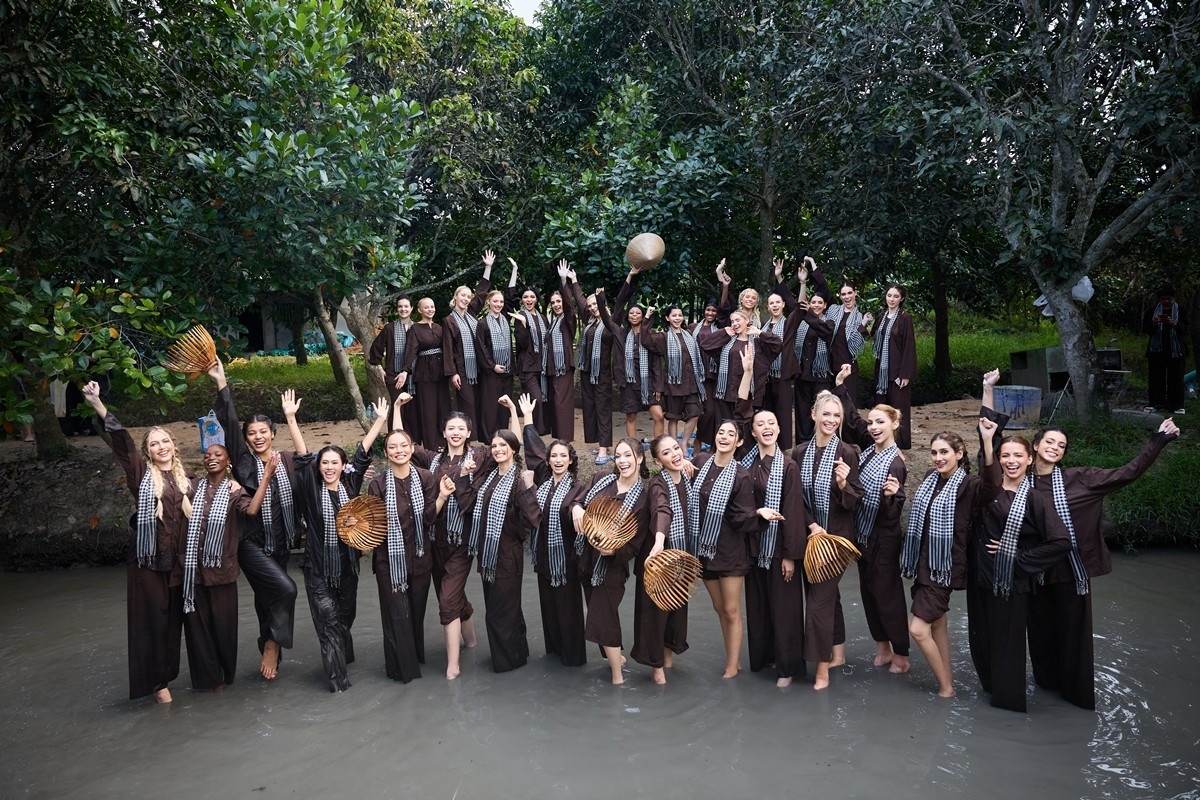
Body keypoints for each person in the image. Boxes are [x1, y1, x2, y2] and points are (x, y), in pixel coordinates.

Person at [1026, 415, 1181, 709]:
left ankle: (1075, 697)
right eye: (1050, 442)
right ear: (1035, 446)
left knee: (1074, 637)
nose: (1055, 448)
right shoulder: (1021, 481)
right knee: (1040, 634)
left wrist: (1159, 440)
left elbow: (1128, 473)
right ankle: (1045, 693)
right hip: (1035, 572)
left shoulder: (1081, 478)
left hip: (1071, 572)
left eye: (1061, 445)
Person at [82, 381, 187, 703]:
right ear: (148, 451)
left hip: (177, 565)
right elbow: (123, 443)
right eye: (154, 444)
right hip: (148, 564)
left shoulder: (188, 481)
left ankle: (166, 677)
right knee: (152, 623)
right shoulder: (142, 475)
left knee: (173, 624)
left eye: (165, 441)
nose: (161, 446)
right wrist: (98, 404)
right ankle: (157, 686)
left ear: (174, 446)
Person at [900, 371, 1001, 698]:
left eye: (945, 452)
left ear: (959, 454)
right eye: (934, 452)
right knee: (938, 625)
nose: (938, 458)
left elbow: (993, 485)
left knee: (918, 629)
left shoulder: (970, 487)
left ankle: (945, 689)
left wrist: (987, 439)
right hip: (922, 566)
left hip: (942, 570)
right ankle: (949, 682)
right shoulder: (930, 479)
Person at [210, 358, 302, 681]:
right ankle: (272, 647)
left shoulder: (287, 461)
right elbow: (229, 421)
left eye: (263, 432)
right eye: (252, 433)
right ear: (247, 439)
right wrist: (221, 382)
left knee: (267, 600)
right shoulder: (245, 464)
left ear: (273, 434)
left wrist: (292, 418)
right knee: (286, 589)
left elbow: (310, 462)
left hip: (283, 541)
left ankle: (267, 643)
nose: (258, 437)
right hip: (251, 543)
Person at [969, 433, 1072, 712]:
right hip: (980, 579)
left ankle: (1009, 709)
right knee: (981, 641)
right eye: (1005, 455)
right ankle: (989, 699)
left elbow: (1061, 541)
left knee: (1007, 648)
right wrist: (987, 435)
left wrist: (1017, 556)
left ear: (1029, 459)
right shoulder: (985, 490)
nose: (1011, 461)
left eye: (1017, 456)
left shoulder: (1035, 499)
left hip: (1011, 584)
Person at [293, 397, 390, 692]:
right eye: (324, 463)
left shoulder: (351, 485)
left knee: (345, 619)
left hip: (348, 568)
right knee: (329, 624)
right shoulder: (311, 487)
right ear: (318, 467)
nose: (329, 467)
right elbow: (302, 455)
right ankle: (339, 685)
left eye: (335, 462)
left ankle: (345, 657)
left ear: (342, 466)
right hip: (318, 570)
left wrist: (380, 420)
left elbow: (362, 453)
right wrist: (291, 418)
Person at [394, 399, 482, 680]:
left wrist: (519, 415)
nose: (455, 432)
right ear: (443, 432)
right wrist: (397, 409)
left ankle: (452, 665)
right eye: (450, 428)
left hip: (461, 541)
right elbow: (400, 442)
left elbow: (509, 448)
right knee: (453, 595)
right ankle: (471, 642)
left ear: (468, 433)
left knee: (446, 600)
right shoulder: (432, 459)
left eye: (461, 428)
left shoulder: (478, 458)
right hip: (434, 539)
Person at [833, 364, 911, 673]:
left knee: (887, 595)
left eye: (881, 422)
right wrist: (841, 386)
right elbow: (852, 420)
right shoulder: (869, 451)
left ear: (895, 424)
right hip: (863, 536)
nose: (874, 427)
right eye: (873, 422)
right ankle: (882, 646)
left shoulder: (896, 463)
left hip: (884, 538)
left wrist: (892, 497)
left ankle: (901, 653)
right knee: (868, 593)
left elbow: (893, 514)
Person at [454, 409, 541, 673]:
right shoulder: (488, 477)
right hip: (488, 557)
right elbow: (467, 504)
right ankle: (518, 654)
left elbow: (534, 518)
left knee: (500, 612)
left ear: (513, 449)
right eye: (494, 446)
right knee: (504, 609)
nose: (498, 449)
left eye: (503, 445)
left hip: (508, 556)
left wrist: (530, 487)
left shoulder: (518, 479)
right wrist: (463, 475)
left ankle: (506, 664)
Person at [789, 390, 864, 690]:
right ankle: (838, 653)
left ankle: (821, 671)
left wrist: (844, 484)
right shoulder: (798, 453)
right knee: (827, 596)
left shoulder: (847, 452)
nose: (831, 420)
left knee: (818, 603)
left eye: (836, 415)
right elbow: (794, 498)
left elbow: (855, 500)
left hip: (836, 541)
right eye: (826, 414)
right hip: (810, 536)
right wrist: (811, 525)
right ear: (813, 415)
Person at [366, 428, 447, 683]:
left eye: (403, 445)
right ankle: (404, 672)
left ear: (412, 449)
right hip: (389, 561)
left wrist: (442, 497)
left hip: (421, 557)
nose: (399, 451)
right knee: (397, 615)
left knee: (416, 612)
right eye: (392, 447)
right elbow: (373, 524)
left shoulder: (425, 477)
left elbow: (429, 519)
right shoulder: (377, 484)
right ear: (386, 452)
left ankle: (414, 658)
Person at [570, 437, 650, 684]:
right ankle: (618, 659)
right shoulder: (601, 479)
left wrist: (613, 552)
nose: (622, 461)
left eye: (628, 455)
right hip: (586, 559)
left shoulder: (642, 500)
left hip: (611, 569)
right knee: (600, 614)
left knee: (602, 617)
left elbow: (635, 545)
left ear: (639, 458)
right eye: (619, 455)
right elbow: (577, 500)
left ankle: (618, 677)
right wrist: (577, 508)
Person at [741, 409, 808, 687]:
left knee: (785, 610)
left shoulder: (788, 466)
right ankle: (765, 657)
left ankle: (787, 668)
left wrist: (791, 556)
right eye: (760, 424)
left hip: (779, 549)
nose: (766, 427)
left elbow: (794, 512)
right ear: (753, 432)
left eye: (771, 423)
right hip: (753, 547)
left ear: (779, 429)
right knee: (758, 607)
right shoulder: (745, 464)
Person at [520, 394, 588, 667]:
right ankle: (553, 654)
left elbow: (581, 507)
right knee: (548, 609)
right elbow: (533, 448)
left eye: (563, 456)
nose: (558, 460)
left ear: (571, 461)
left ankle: (573, 661)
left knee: (569, 612)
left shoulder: (578, 488)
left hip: (567, 561)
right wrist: (527, 417)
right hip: (543, 558)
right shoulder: (545, 479)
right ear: (548, 461)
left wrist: (578, 508)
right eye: (554, 456)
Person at [690, 419, 759, 678]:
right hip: (703, 549)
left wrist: (758, 515)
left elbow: (742, 517)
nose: (724, 437)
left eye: (731, 434)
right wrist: (680, 465)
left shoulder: (741, 475)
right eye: (721, 432)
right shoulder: (700, 462)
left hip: (730, 550)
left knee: (731, 609)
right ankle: (733, 656)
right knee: (719, 608)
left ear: (739, 442)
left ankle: (732, 664)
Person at [179, 442, 248, 693]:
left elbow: (251, 510)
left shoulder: (235, 491)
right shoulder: (191, 486)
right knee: (197, 630)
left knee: (224, 628)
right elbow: (172, 475)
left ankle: (225, 676)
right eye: (207, 455)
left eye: (218, 455)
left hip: (221, 570)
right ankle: (210, 680)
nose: (211, 458)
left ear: (228, 461)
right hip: (192, 570)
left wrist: (267, 476)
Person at [636, 434, 695, 684]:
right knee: (656, 614)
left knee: (676, 611)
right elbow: (662, 509)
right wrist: (660, 539)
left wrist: (687, 462)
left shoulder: (687, 475)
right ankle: (656, 667)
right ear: (658, 461)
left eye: (676, 448)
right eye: (666, 453)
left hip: (681, 557)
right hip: (658, 559)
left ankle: (667, 658)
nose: (674, 454)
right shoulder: (658, 484)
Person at [569, 274, 632, 465]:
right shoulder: (589, 323)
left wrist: (630, 277)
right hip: (587, 372)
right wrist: (574, 280)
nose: (592, 307)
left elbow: (621, 300)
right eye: (590, 306)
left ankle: (604, 448)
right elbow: (580, 301)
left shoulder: (611, 321)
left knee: (603, 409)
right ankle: (599, 442)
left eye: (595, 304)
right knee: (590, 408)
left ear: (602, 303)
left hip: (602, 374)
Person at [599, 269, 665, 442]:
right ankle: (633, 447)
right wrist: (628, 277)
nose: (634, 315)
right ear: (627, 317)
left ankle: (658, 448)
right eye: (631, 313)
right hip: (628, 384)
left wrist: (658, 386)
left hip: (648, 383)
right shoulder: (620, 333)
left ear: (643, 317)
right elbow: (611, 313)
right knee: (630, 417)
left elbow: (657, 363)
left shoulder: (650, 336)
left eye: (638, 313)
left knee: (658, 416)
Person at [778, 263, 835, 441]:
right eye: (813, 303)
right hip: (803, 374)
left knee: (822, 410)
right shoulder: (802, 321)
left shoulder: (829, 323)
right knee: (802, 411)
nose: (816, 305)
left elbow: (824, 331)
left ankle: (822, 441)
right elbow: (791, 301)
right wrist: (785, 279)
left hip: (821, 376)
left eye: (819, 303)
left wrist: (808, 312)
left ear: (825, 306)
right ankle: (803, 443)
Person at [442, 250, 496, 437]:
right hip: (462, 369)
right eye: (462, 296)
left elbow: (481, 294)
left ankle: (482, 436)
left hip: (479, 367)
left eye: (468, 296)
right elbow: (448, 348)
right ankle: (467, 439)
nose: (466, 299)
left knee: (481, 401)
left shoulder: (472, 313)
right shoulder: (449, 320)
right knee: (468, 402)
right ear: (455, 297)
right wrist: (453, 373)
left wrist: (488, 268)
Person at [696, 310, 782, 425]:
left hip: (749, 395)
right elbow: (705, 345)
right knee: (725, 427)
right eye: (732, 321)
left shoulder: (758, 342)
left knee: (745, 428)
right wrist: (723, 332)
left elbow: (778, 344)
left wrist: (759, 332)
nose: (734, 323)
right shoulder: (727, 341)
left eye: (737, 320)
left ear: (746, 321)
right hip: (726, 392)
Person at [643, 306, 707, 453]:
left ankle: (683, 443)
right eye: (674, 315)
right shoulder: (663, 337)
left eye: (679, 315)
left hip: (692, 384)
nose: (677, 318)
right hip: (674, 384)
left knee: (695, 413)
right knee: (674, 417)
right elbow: (646, 340)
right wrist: (647, 317)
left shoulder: (689, 335)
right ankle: (674, 446)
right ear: (667, 318)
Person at [808, 260, 869, 403]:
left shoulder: (859, 317)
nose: (847, 297)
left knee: (848, 403)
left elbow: (856, 345)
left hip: (848, 366)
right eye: (843, 294)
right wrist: (812, 263)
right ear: (840, 296)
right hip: (830, 365)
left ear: (855, 293)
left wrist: (863, 323)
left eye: (849, 293)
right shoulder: (833, 310)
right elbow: (822, 287)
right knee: (831, 405)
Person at [868, 283, 917, 449]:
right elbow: (873, 335)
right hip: (881, 371)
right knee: (881, 408)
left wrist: (905, 374)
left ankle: (900, 444)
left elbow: (909, 346)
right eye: (889, 295)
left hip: (897, 371)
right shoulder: (881, 316)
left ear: (901, 299)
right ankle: (882, 440)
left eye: (896, 296)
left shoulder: (905, 318)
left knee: (898, 408)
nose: (892, 299)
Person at [506, 257, 550, 434]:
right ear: (522, 300)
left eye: (532, 297)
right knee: (535, 399)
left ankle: (537, 431)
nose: (529, 300)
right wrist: (524, 324)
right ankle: (534, 432)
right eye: (525, 297)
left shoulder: (542, 318)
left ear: (536, 299)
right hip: (527, 367)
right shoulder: (521, 317)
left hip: (542, 366)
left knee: (539, 400)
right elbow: (523, 344)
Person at [402, 297, 449, 448]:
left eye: (432, 307)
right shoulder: (415, 329)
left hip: (441, 373)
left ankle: (444, 443)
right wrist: (405, 370)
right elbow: (410, 351)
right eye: (426, 307)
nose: (430, 310)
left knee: (443, 408)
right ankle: (431, 446)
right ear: (419, 310)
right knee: (428, 410)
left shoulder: (439, 328)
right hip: (425, 374)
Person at [368, 295, 418, 434]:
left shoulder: (417, 328)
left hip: (414, 375)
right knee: (397, 408)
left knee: (412, 411)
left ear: (411, 308)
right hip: (394, 375)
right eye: (400, 306)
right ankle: (394, 439)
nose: (403, 309)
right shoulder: (389, 328)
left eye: (406, 306)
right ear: (397, 309)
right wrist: (379, 367)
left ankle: (411, 441)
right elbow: (376, 348)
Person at [476, 288, 515, 442]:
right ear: (488, 302)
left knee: (504, 406)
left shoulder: (505, 320)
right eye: (495, 301)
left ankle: (503, 435)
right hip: (491, 372)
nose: (498, 304)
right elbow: (481, 348)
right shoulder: (483, 324)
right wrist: (492, 366)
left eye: (501, 302)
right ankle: (489, 438)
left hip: (507, 370)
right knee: (490, 406)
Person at [546, 261, 579, 442]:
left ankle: (565, 441)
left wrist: (564, 281)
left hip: (564, 367)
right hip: (553, 369)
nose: (556, 305)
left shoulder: (568, 319)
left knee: (562, 404)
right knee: (556, 404)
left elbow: (569, 306)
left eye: (558, 301)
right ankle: (559, 438)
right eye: (553, 302)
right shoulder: (554, 321)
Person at [1143, 284, 1189, 415]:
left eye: (1169, 298)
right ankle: (1156, 403)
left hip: (1176, 350)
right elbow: (1146, 329)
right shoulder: (1152, 311)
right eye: (1163, 299)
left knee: (1176, 378)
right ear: (1160, 299)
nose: (1166, 301)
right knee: (1156, 378)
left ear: (1173, 298)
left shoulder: (1181, 310)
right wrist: (1154, 323)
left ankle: (1176, 405)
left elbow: (1185, 330)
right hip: (1156, 350)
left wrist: (1173, 324)